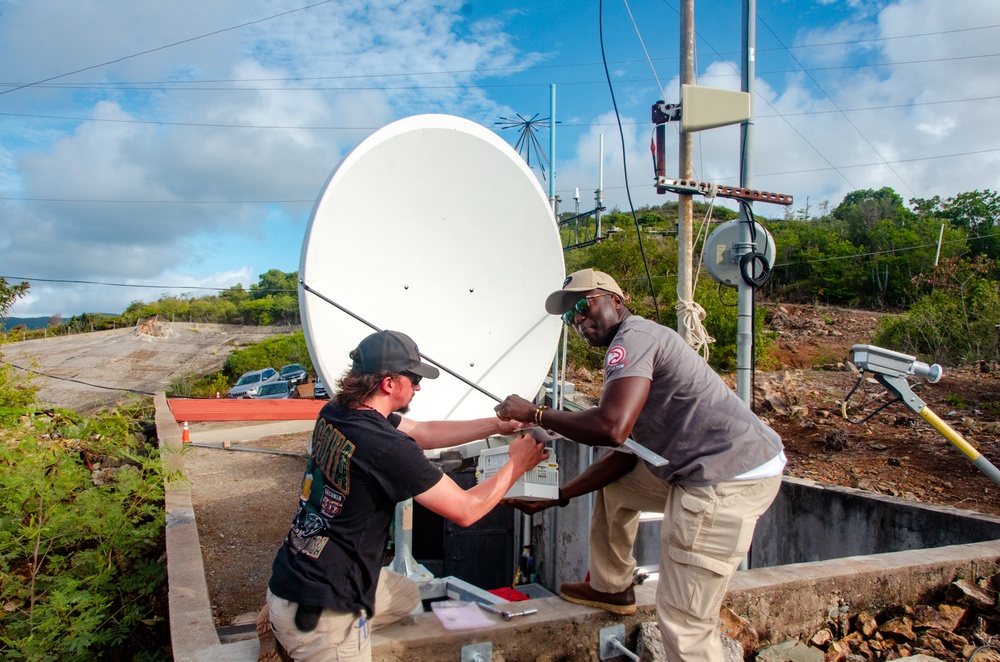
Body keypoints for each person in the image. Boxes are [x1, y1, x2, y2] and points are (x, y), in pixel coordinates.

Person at [495, 268, 785, 662]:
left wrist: (538, 413)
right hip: (723, 466)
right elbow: (627, 455)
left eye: (583, 304)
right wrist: (559, 496)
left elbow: (611, 428)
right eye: (570, 316)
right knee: (618, 489)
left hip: (723, 480)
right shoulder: (636, 345)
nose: (579, 319)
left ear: (616, 300)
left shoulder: (632, 341)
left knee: (685, 622)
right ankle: (612, 586)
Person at [265, 329, 547, 662]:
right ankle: (309, 640)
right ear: (388, 383)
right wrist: (516, 464)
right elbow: (466, 509)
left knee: (405, 593)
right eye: (412, 378)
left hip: (291, 577)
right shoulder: (385, 446)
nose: (418, 386)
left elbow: (424, 433)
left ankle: (284, 623)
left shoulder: (337, 411)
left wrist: (496, 424)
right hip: (326, 609)